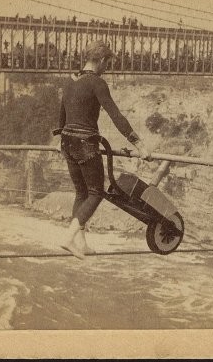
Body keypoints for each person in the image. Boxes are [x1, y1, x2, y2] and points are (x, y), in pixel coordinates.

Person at [55, 40, 151, 259]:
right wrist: (140, 145)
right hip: (85, 144)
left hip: (67, 143)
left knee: (81, 192)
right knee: (96, 192)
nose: (107, 68)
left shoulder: (70, 81)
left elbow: (62, 115)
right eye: (107, 63)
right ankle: (68, 238)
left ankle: (81, 243)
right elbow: (116, 116)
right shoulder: (97, 83)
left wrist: (59, 138)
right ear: (99, 60)